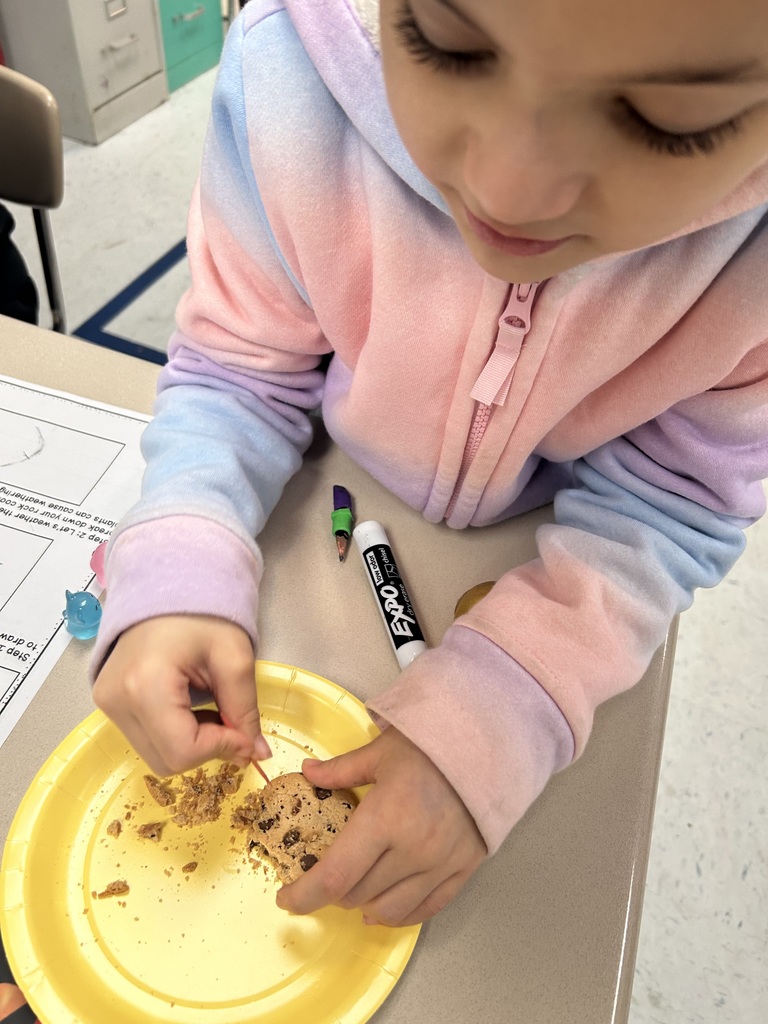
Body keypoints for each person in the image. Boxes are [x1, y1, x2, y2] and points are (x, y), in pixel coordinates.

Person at [92, 0, 768, 928]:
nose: (508, 191)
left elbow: (672, 505)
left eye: (670, 117)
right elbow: (237, 367)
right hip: (330, 519)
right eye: (445, 43)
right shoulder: (289, 79)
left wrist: (508, 703)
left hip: (551, 561)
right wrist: (180, 554)